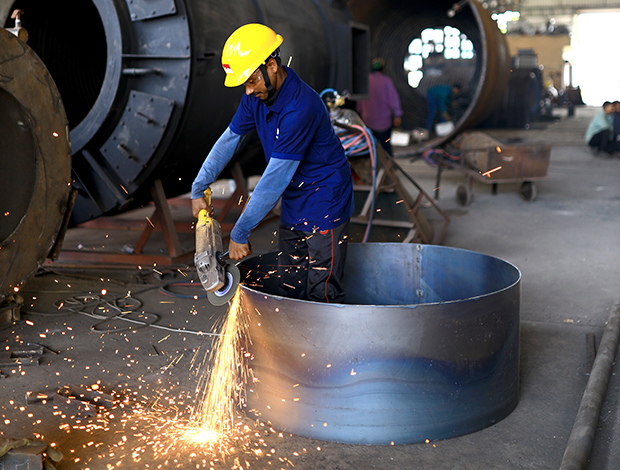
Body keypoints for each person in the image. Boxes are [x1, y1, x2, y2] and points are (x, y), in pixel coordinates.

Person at [191, 24, 354, 303]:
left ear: (272, 66)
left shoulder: (300, 107)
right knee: (290, 281)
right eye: (244, 83)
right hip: (294, 197)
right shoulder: (255, 96)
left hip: (325, 199)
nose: (248, 91)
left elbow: (273, 180)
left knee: (322, 290)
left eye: (251, 81)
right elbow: (229, 141)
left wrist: (240, 232)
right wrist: (199, 186)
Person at [356, 58, 403, 155]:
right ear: (382, 69)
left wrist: (359, 112)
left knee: (370, 147)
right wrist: (397, 115)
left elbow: (360, 101)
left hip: (367, 121)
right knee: (385, 145)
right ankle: (387, 162)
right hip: (383, 123)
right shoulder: (386, 81)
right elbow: (393, 99)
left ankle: (373, 163)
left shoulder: (365, 81)